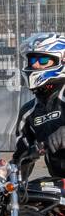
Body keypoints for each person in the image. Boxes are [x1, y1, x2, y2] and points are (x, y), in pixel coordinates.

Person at [12, 33, 65, 178]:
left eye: (42, 59)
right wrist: (7, 173)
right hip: (60, 186)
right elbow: (21, 158)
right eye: (32, 59)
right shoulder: (28, 112)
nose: (35, 64)